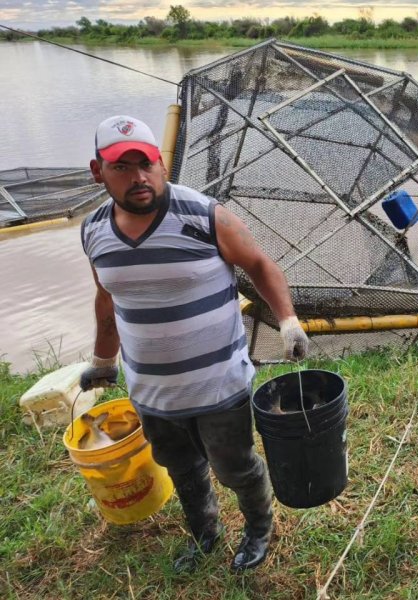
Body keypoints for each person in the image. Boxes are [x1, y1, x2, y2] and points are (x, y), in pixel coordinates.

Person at [78, 115, 310, 573]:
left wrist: (289, 322)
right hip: (151, 392)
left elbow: (261, 265)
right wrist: (104, 360)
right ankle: (204, 534)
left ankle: (258, 529)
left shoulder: (205, 215)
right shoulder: (94, 232)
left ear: (161, 166)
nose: (139, 178)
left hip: (218, 385)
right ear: (97, 171)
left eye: (146, 164)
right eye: (121, 167)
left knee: (235, 467)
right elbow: (107, 300)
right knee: (181, 469)